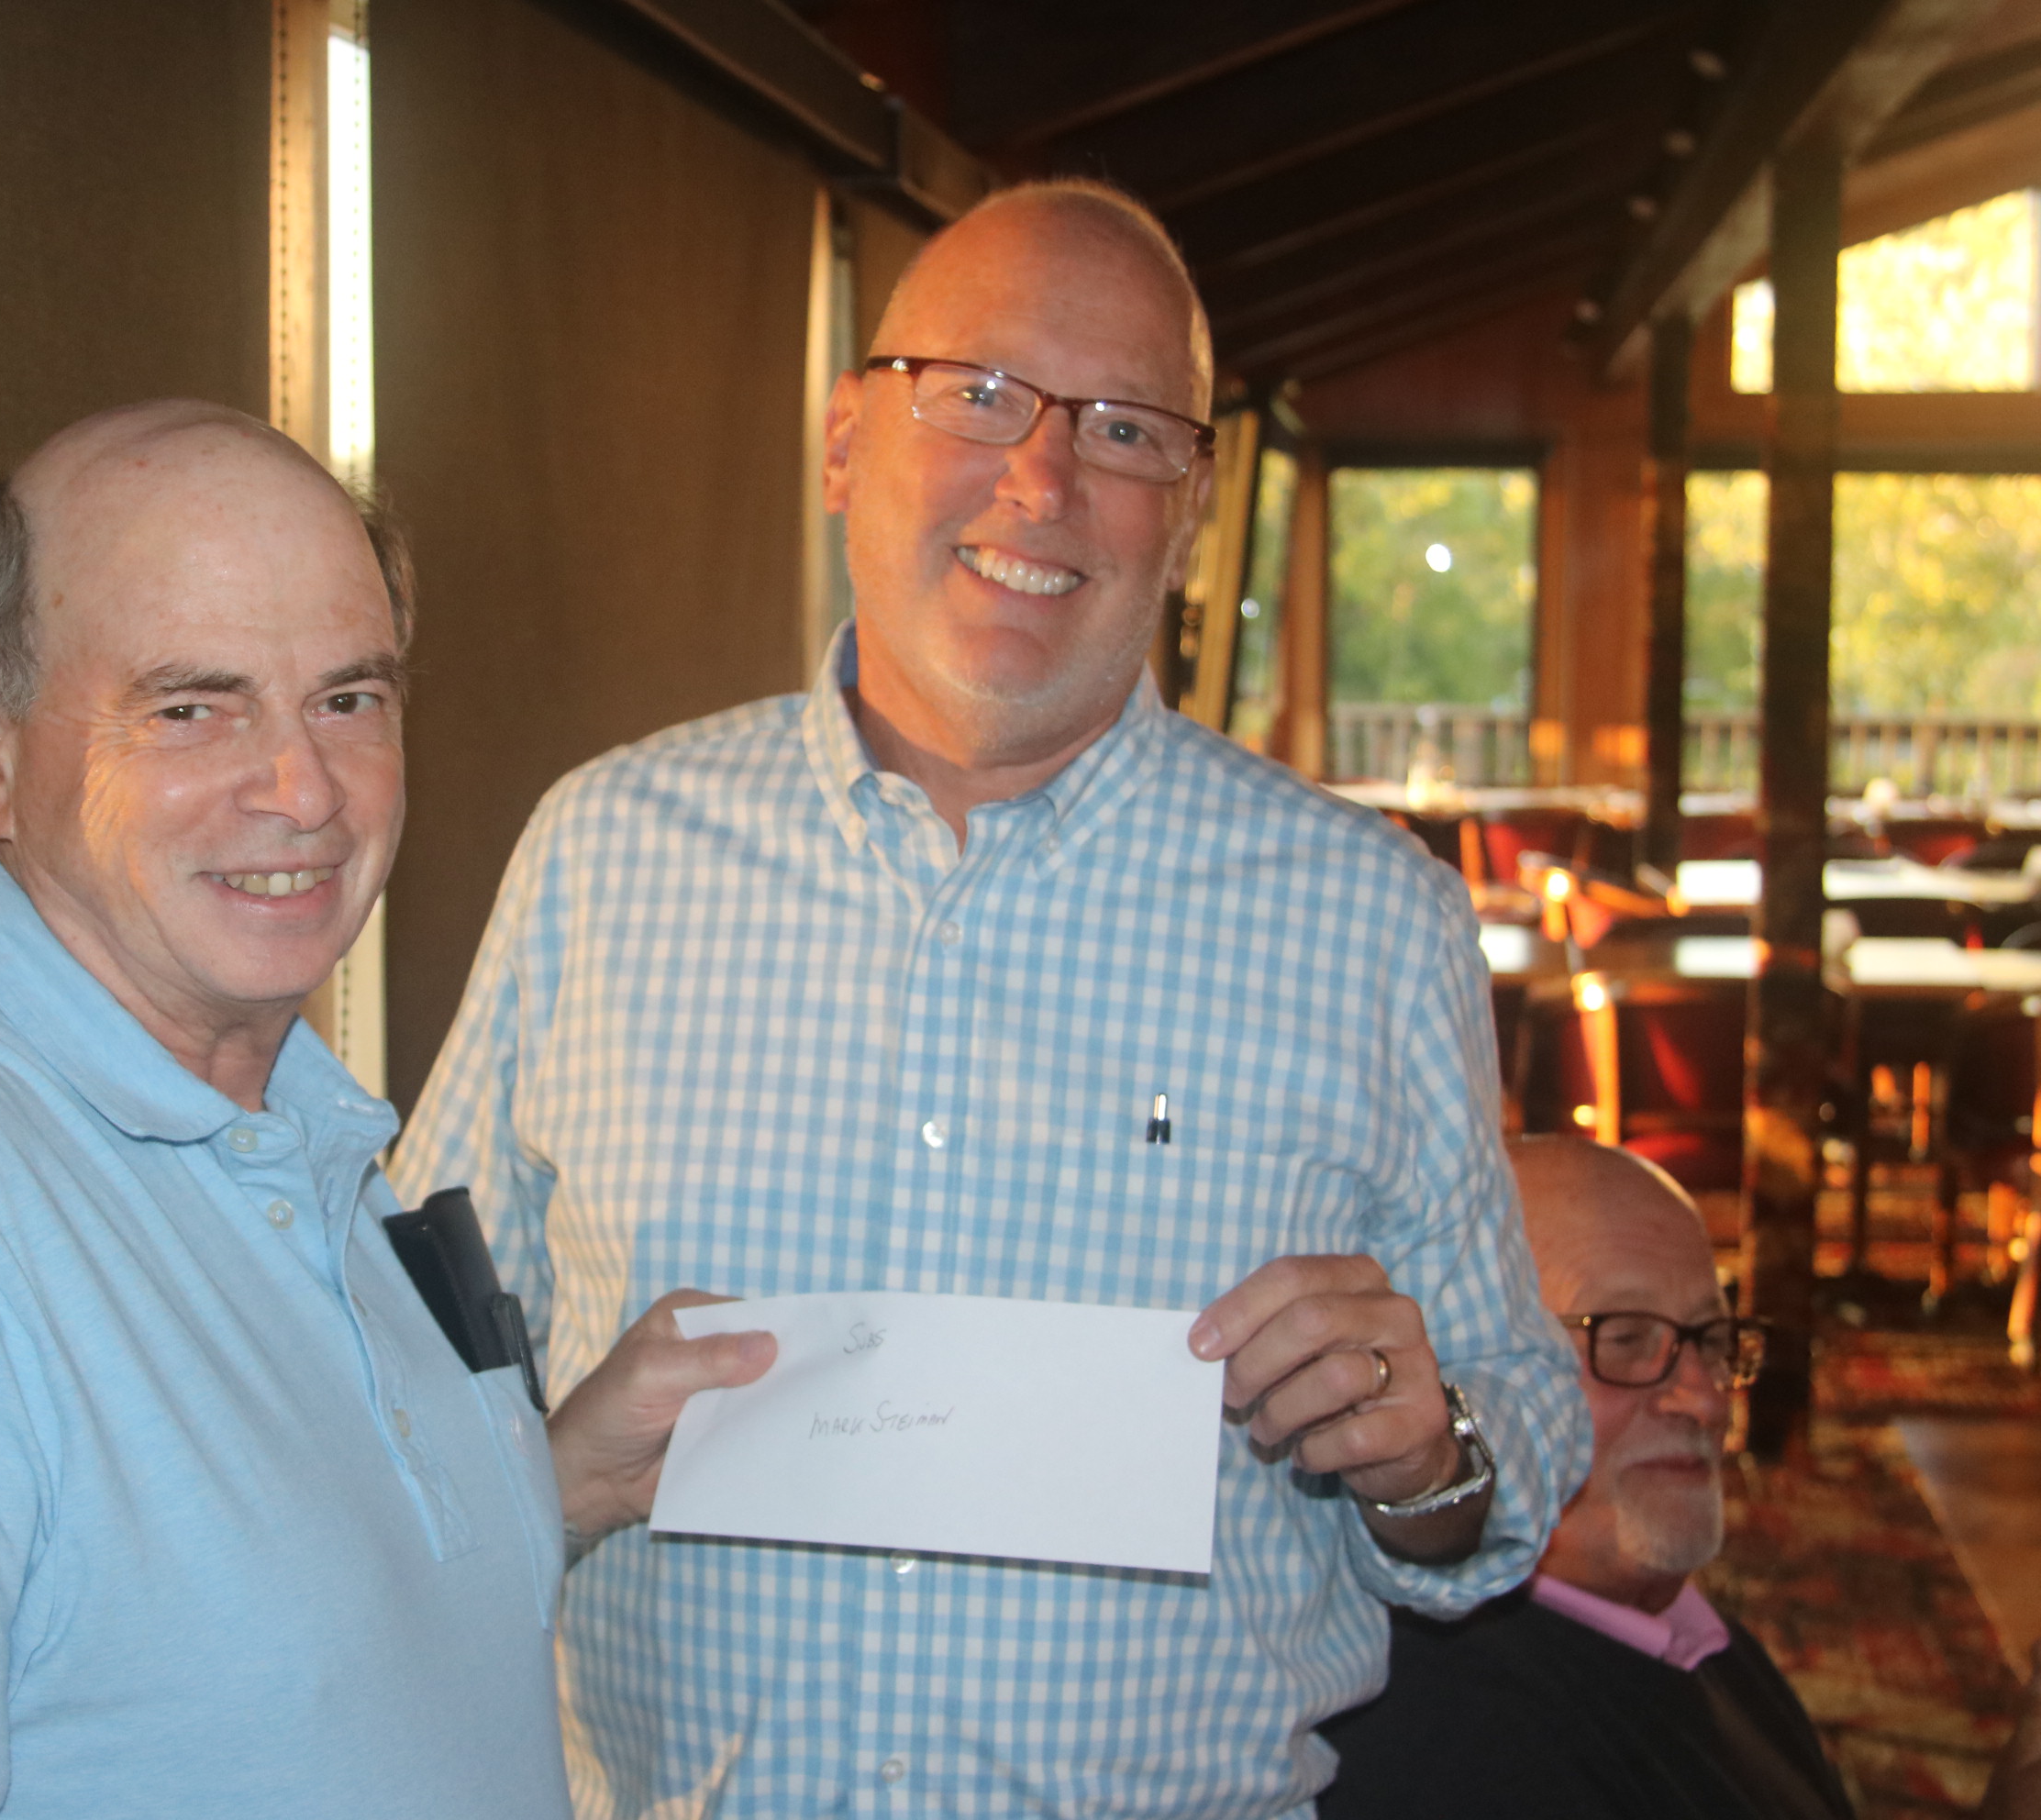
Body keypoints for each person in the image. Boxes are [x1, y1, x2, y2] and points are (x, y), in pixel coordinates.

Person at [393, 179, 1590, 1816]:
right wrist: (550, 1477)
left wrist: (1431, 1456)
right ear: (842, 442)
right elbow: (394, 1384)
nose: (1043, 479)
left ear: (1190, 509)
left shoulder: (1373, 920)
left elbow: (1508, 1435)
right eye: (976, 395)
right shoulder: (600, 853)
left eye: (1125, 429)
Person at [0, 401, 774, 1819]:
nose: (304, 788)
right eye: (190, 707)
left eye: (349, 698)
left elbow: (233, 1660)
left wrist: (549, 1484)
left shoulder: (311, 1136)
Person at [1321, 1138, 1853, 1818]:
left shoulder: (1692, 1634)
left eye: (1713, 1339)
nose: (1704, 1400)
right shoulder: (1453, 1736)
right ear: (1461, 1380)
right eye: (1625, 1340)